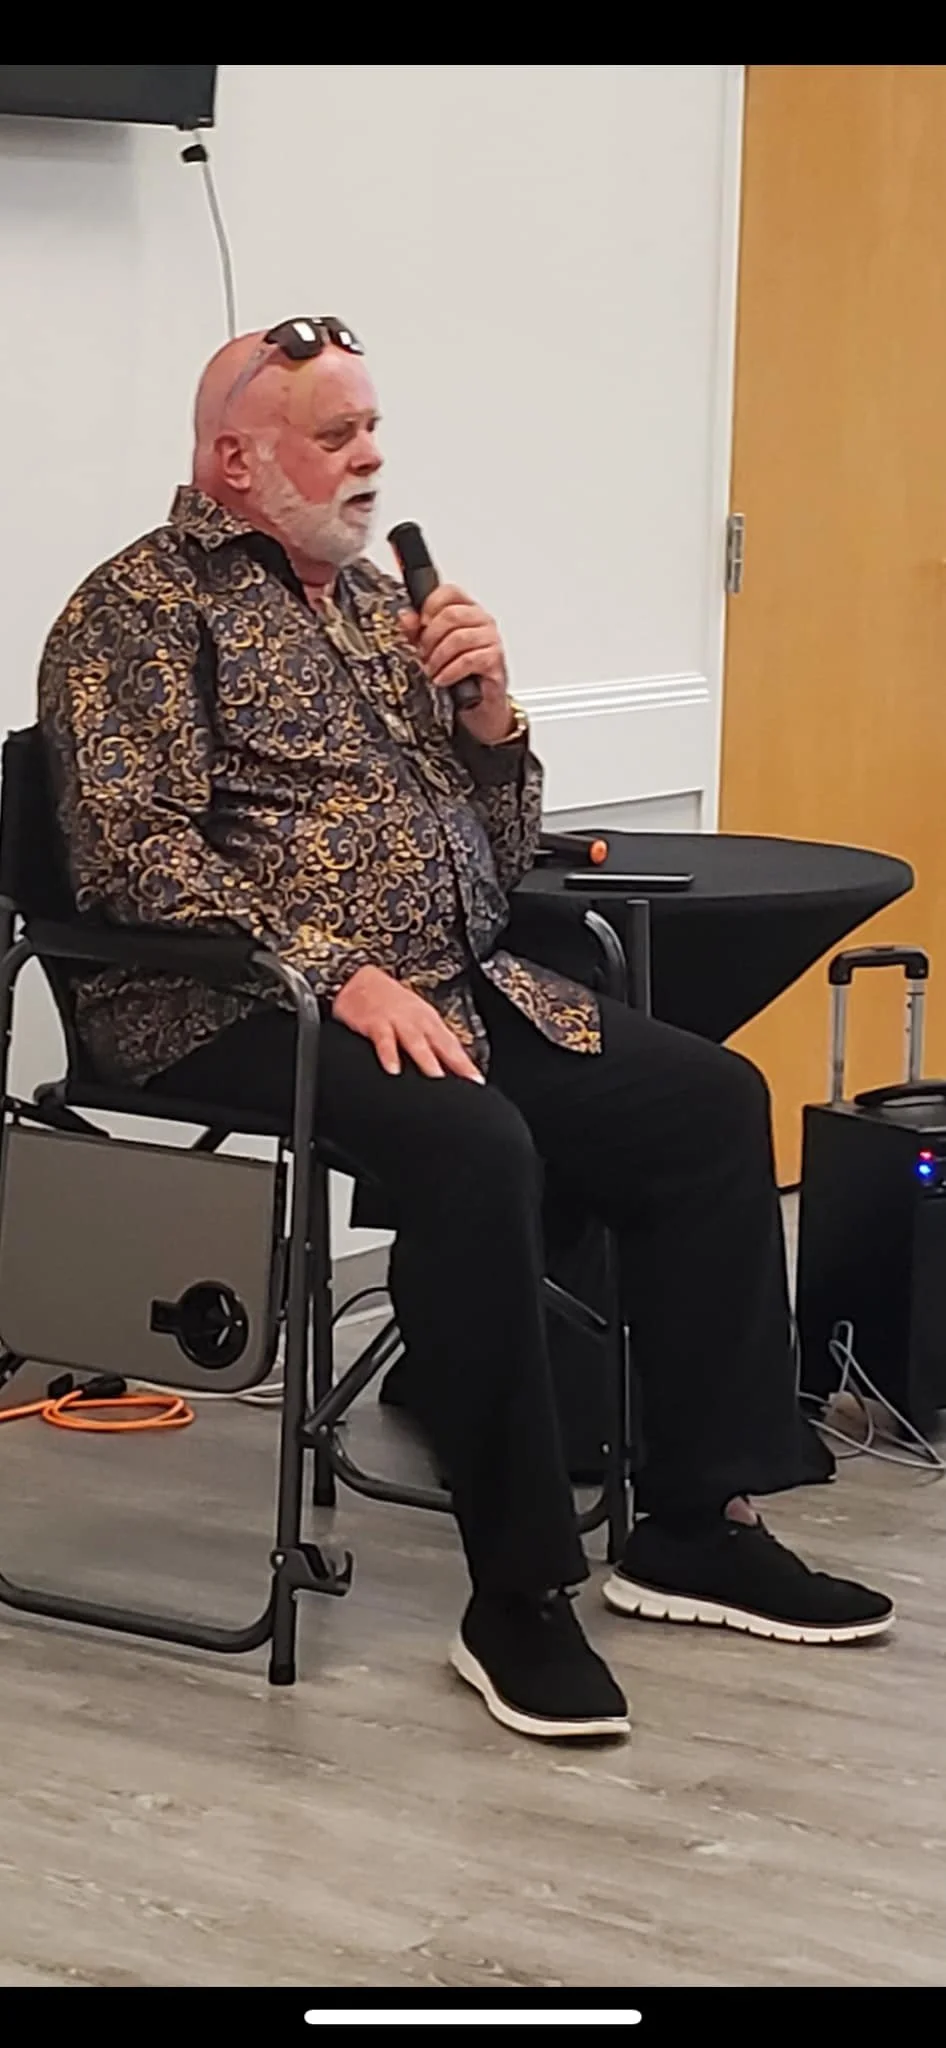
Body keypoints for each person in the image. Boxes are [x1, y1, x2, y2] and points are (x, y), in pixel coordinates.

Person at [38, 316, 893, 1745]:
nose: (368, 455)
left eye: (374, 427)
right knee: (471, 1148)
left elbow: (495, 860)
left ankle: (694, 1520)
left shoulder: (377, 604)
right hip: (218, 1000)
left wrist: (494, 729)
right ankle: (516, 1598)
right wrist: (333, 970)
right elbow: (129, 853)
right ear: (236, 459)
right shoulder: (137, 609)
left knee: (701, 1102)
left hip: (448, 984)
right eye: (333, 432)